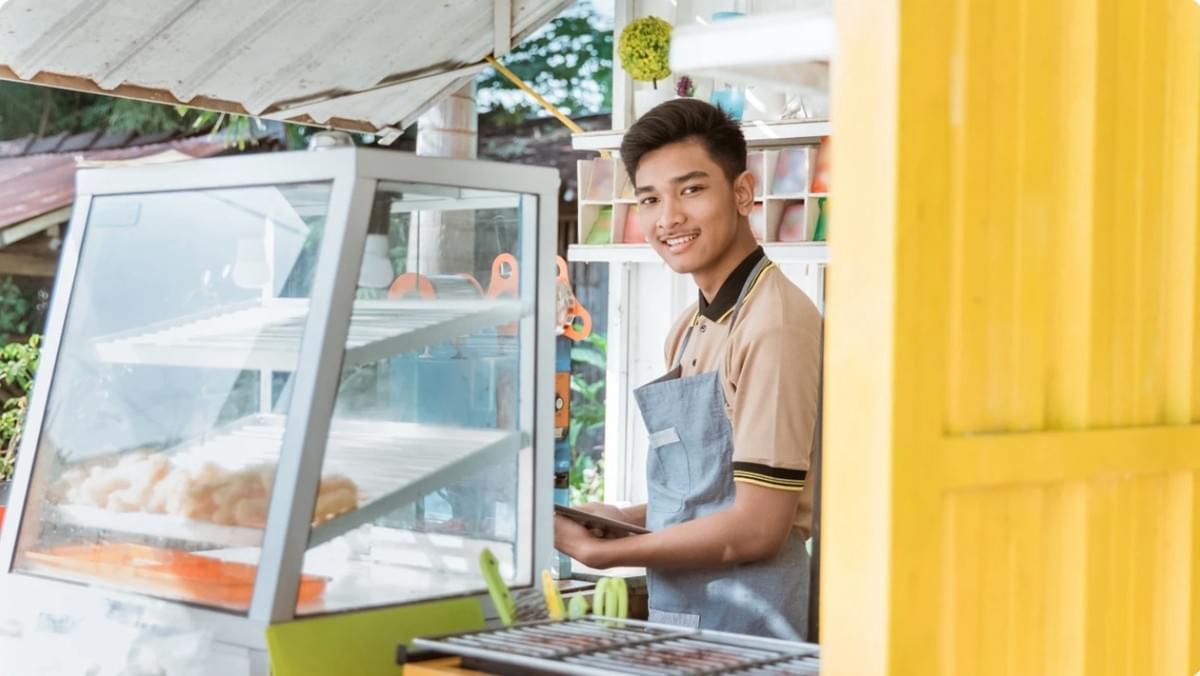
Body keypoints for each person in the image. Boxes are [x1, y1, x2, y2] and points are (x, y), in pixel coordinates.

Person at [553, 99, 822, 640]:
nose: (668, 217)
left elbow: (757, 529)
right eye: (650, 199)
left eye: (691, 190)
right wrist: (621, 518)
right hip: (686, 621)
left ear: (743, 192)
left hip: (752, 628)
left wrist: (612, 554)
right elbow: (714, 496)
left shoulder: (775, 324)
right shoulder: (690, 326)